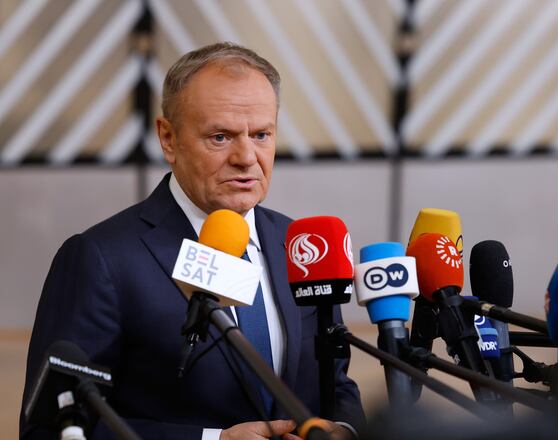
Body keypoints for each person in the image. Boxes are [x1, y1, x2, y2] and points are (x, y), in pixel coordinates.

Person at [21, 42, 364, 440]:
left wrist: (343, 429)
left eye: (261, 134)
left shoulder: (301, 246)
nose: (247, 157)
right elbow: (49, 429)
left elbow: (334, 384)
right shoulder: (101, 258)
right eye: (220, 137)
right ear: (168, 138)